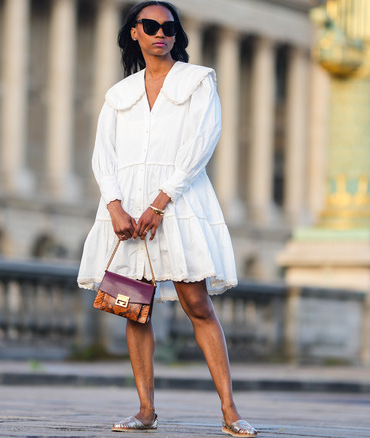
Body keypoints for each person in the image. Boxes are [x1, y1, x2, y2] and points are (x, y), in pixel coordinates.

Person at [77, 1, 257, 436]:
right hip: (126, 211)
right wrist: (114, 205)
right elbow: (104, 155)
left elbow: (202, 142)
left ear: (177, 34)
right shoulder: (119, 95)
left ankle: (230, 411)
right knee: (133, 309)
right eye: (151, 25)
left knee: (197, 304)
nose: (161, 33)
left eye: (169, 27)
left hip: (177, 204)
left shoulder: (198, 81)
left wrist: (161, 202)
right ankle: (145, 410)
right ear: (134, 32)